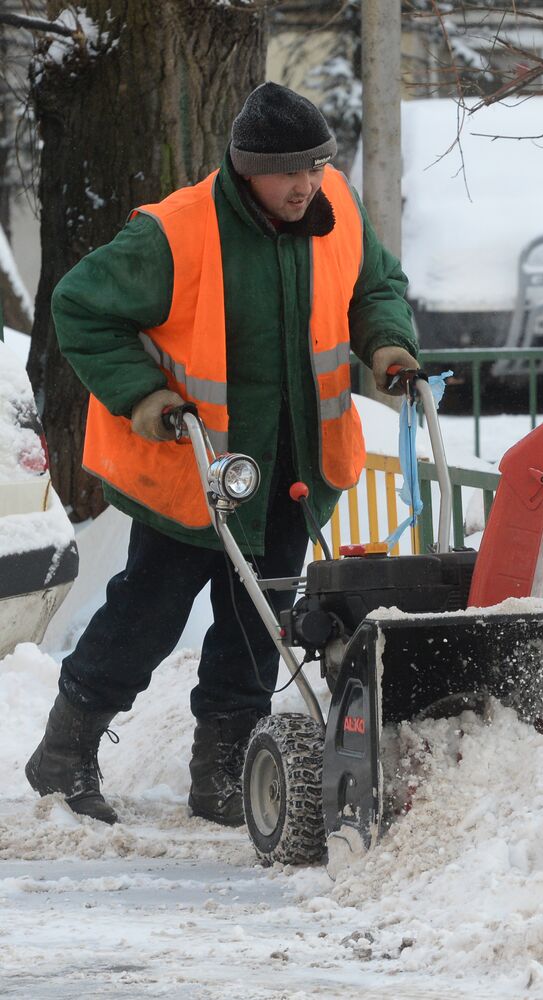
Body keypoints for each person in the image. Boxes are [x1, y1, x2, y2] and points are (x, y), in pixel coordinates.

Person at [25, 83, 419, 826]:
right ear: (247, 169)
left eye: (316, 166)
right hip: (195, 470)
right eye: (288, 172)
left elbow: (376, 286)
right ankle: (65, 752)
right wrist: (144, 395)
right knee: (147, 614)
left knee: (259, 619)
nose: (305, 184)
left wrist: (388, 344)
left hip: (292, 465)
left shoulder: (334, 210)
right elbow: (80, 306)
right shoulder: (175, 231)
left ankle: (224, 769)